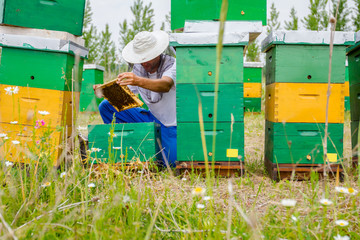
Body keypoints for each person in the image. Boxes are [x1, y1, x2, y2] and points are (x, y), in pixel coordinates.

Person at [95, 31, 176, 167]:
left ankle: (150, 148)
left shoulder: (172, 65)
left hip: (171, 126)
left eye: (147, 57)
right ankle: (125, 148)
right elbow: (127, 94)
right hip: (151, 120)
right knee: (106, 106)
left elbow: (165, 84)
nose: (143, 62)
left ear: (157, 53)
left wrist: (137, 80)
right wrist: (107, 90)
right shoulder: (139, 68)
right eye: (140, 58)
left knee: (171, 163)